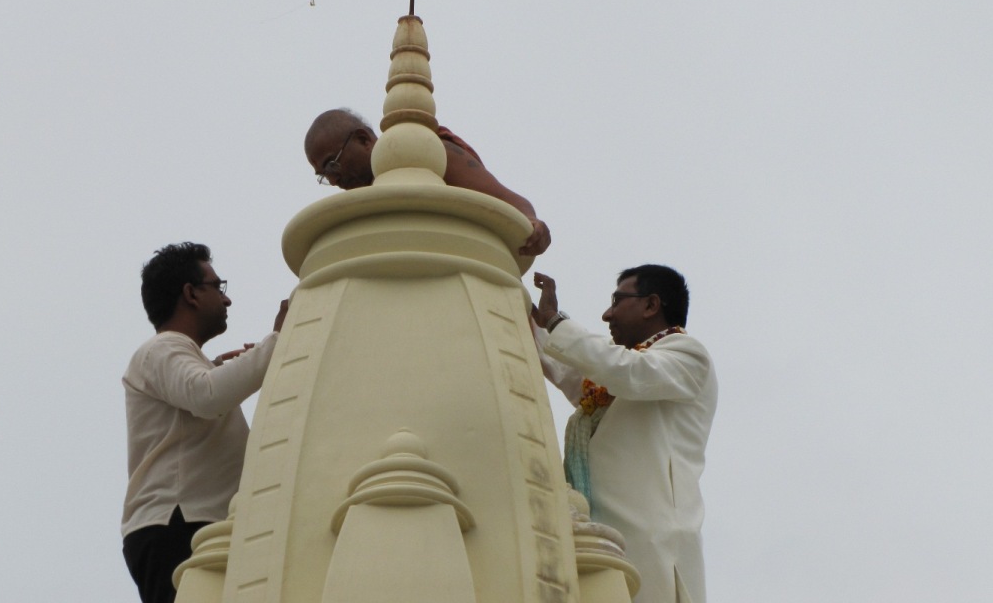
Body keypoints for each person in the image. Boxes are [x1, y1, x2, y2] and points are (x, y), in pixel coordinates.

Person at [531, 266, 717, 603]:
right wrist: (530, 317)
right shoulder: (621, 378)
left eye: (617, 301)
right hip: (604, 542)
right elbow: (577, 372)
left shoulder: (688, 357)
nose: (607, 314)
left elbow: (623, 371)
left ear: (651, 305)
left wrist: (557, 323)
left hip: (652, 546)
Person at [121, 242, 288, 603]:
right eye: (218, 286)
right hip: (178, 523)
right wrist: (277, 342)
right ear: (191, 294)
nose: (226, 300)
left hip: (186, 524)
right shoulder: (163, 348)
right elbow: (208, 396)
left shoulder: (177, 354)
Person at [304, 108, 551, 255]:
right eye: (324, 176)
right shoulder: (364, 206)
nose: (334, 180)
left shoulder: (430, 155)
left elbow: (510, 202)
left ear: (364, 140)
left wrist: (532, 224)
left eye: (332, 164)